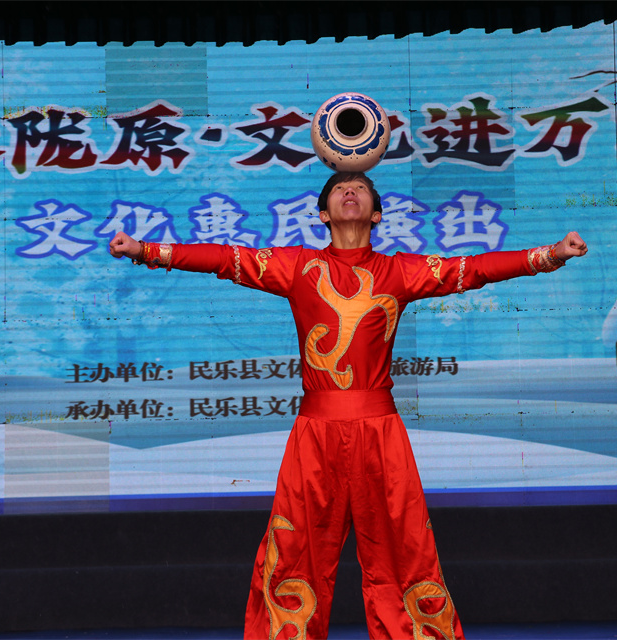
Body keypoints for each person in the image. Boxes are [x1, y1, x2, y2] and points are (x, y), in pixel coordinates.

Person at [109, 171, 588, 640]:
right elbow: (226, 258)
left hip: (381, 433)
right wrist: (144, 251)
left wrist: (551, 255)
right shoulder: (298, 267)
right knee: (294, 552)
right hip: (315, 433)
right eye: (340, 188)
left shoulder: (398, 272)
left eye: (360, 187)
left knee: (406, 552)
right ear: (323, 213)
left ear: (377, 214)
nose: (351, 191)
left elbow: (472, 270)